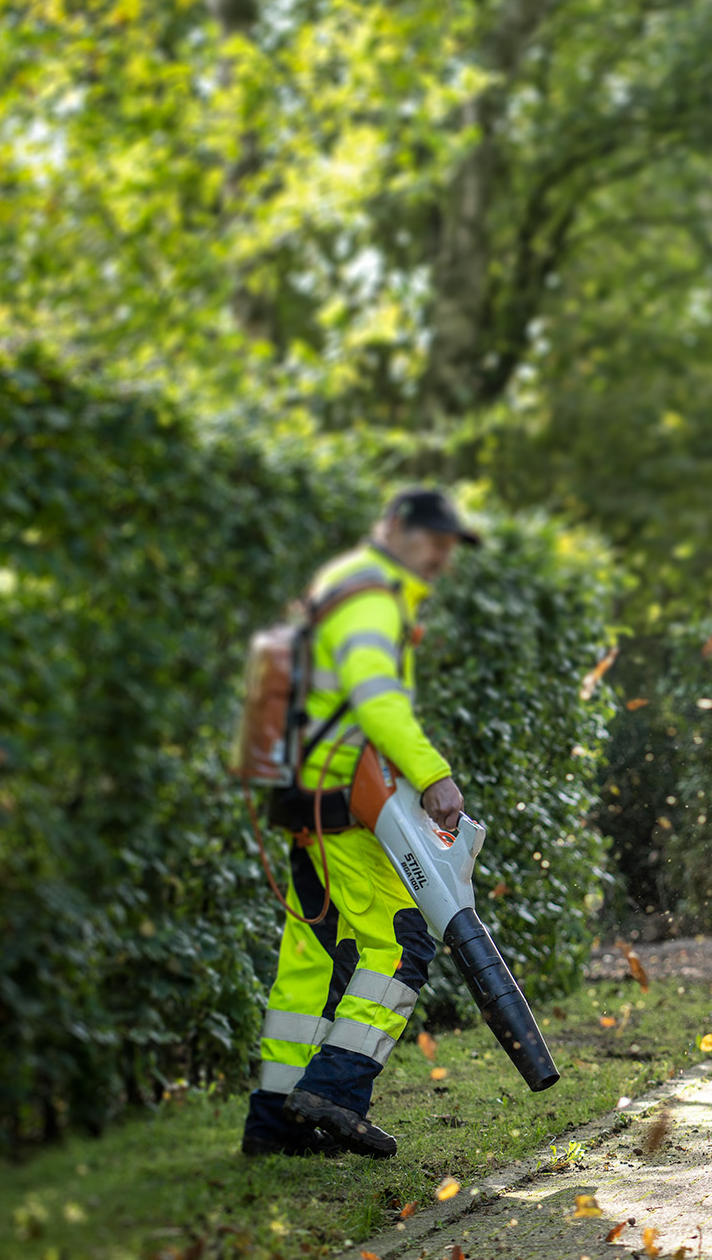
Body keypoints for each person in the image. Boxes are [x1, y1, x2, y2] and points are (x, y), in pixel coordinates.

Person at [241, 487, 481, 1158]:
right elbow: (376, 701)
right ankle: (336, 1092)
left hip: (303, 800)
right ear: (395, 529)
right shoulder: (373, 600)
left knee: (310, 965)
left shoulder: (338, 586)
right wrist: (433, 773)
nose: (440, 557)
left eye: (448, 547)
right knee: (401, 944)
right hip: (341, 805)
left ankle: (274, 1125)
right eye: (432, 541)